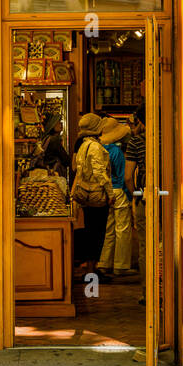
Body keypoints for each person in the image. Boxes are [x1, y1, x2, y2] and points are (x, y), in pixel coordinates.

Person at [70, 112, 114, 279]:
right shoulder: (95, 147)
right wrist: (110, 193)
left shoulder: (83, 145)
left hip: (86, 195)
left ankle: (90, 269)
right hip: (96, 195)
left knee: (90, 231)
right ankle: (91, 270)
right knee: (97, 233)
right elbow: (100, 172)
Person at [97, 115, 133, 280]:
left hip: (104, 192)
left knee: (108, 229)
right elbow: (123, 176)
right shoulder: (117, 151)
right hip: (118, 191)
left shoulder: (98, 149)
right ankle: (121, 265)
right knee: (122, 229)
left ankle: (104, 262)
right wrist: (129, 194)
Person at [125, 107, 148, 281]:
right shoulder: (173, 135)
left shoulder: (137, 141)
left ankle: (147, 290)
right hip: (169, 195)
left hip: (146, 196)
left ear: (140, 122)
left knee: (145, 245)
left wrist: (136, 194)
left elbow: (128, 177)